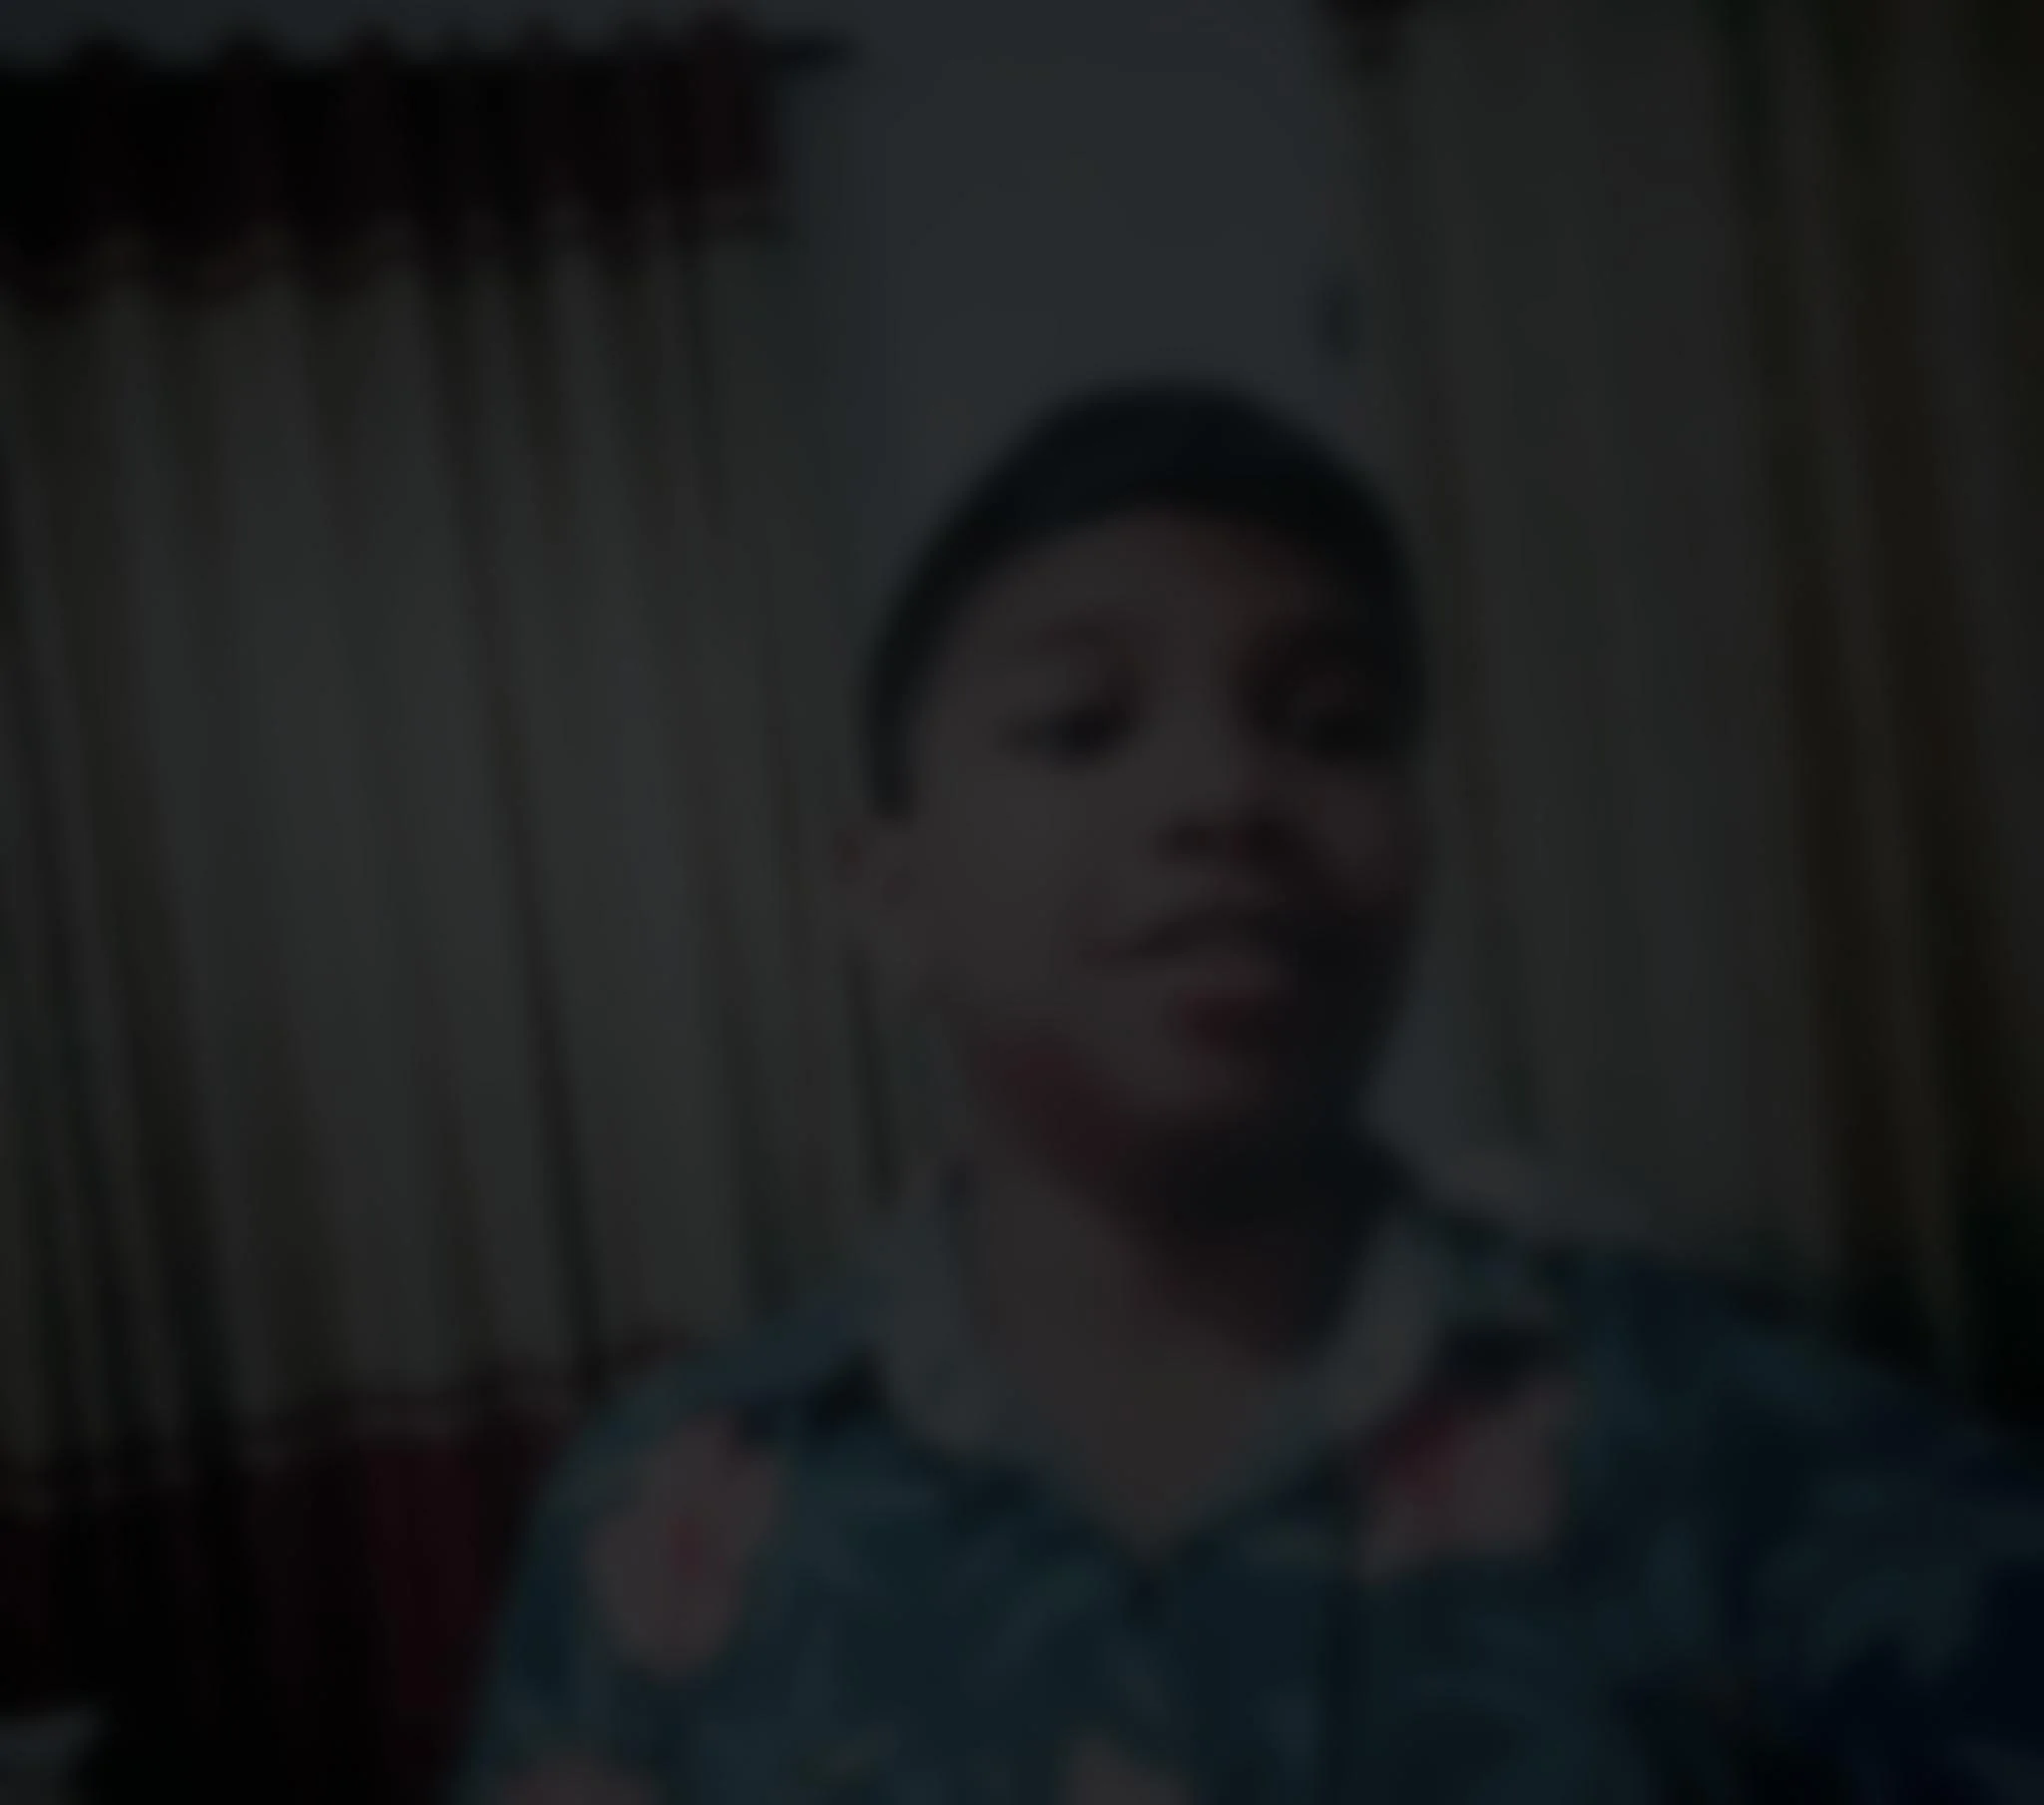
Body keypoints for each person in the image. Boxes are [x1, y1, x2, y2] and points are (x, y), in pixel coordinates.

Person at [450, 386, 2044, 1805]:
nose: (1226, 795)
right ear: (889, 897)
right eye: (1082, 725)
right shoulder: (658, 1516)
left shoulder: (1749, 1446)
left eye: (1334, 728)